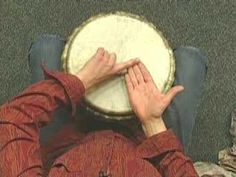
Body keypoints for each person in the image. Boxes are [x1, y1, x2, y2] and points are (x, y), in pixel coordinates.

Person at [0, 34, 207, 177]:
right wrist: (154, 125)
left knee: (46, 47)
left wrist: (79, 81)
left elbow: (11, 121)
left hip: (71, 137)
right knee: (191, 60)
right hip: (146, 140)